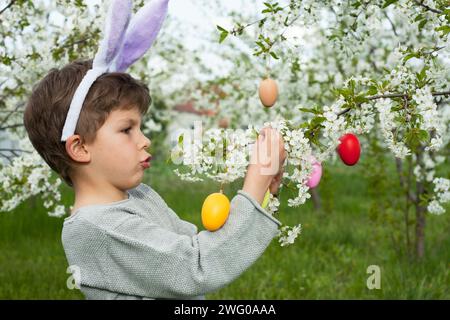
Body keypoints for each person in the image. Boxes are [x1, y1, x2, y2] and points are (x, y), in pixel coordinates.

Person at [22, 0, 286, 299]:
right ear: (80, 148)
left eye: (140, 127)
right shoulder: (94, 229)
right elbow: (196, 267)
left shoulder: (141, 197)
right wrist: (254, 185)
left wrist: (264, 194)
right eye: (126, 129)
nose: (145, 140)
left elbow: (197, 247)